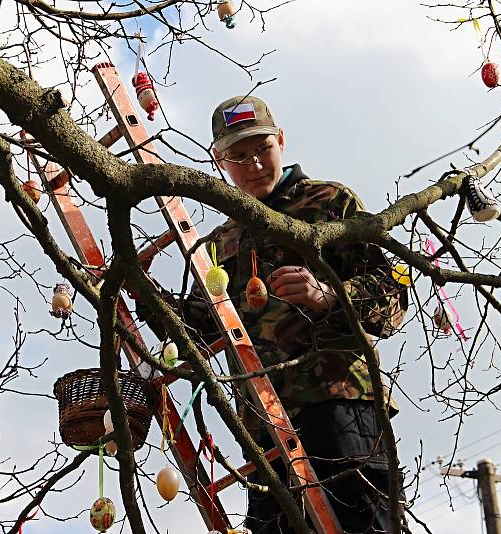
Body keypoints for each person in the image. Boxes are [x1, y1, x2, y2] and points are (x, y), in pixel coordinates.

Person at [142, 95, 409, 533]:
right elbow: (195, 328)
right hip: (264, 427)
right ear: (219, 161)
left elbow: (393, 293)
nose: (253, 165)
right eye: (237, 155)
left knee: (362, 523)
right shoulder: (218, 243)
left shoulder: (328, 203)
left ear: (281, 140)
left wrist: (327, 295)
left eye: (261, 148)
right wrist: (144, 292)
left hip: (338, 403)